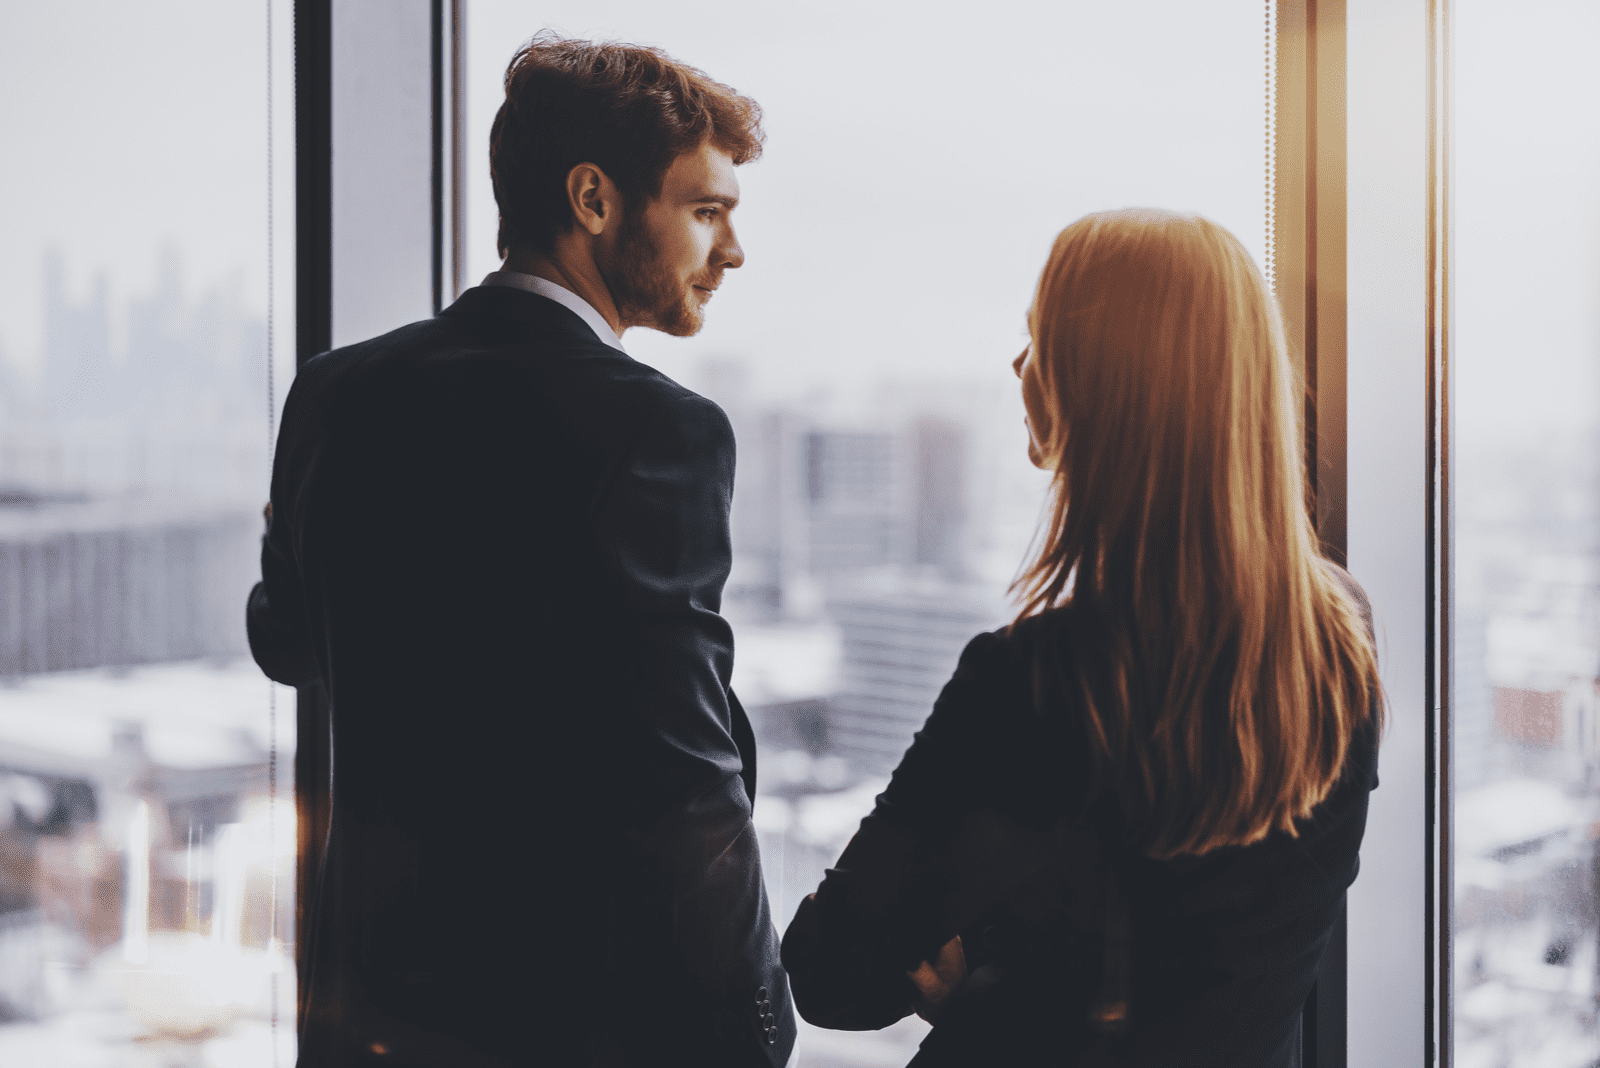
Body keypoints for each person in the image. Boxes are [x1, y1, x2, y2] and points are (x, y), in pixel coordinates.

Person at [247, 35, 793, 1067]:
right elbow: (682, 774)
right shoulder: (655, 429)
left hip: (362, 1015)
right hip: (569, 1020)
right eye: (706, 211)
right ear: (594, 199)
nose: (730, 252)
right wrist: (757, 1020)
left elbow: (287, 641)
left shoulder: (333, 391)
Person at [780, 209, 1384, 1066]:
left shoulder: (1037, 683)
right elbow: (1218, 971)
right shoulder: (1337, 638)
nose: (1019, 367)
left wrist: (992, 983)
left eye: (1041, 342)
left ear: (1100, 389)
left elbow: (829, 970)